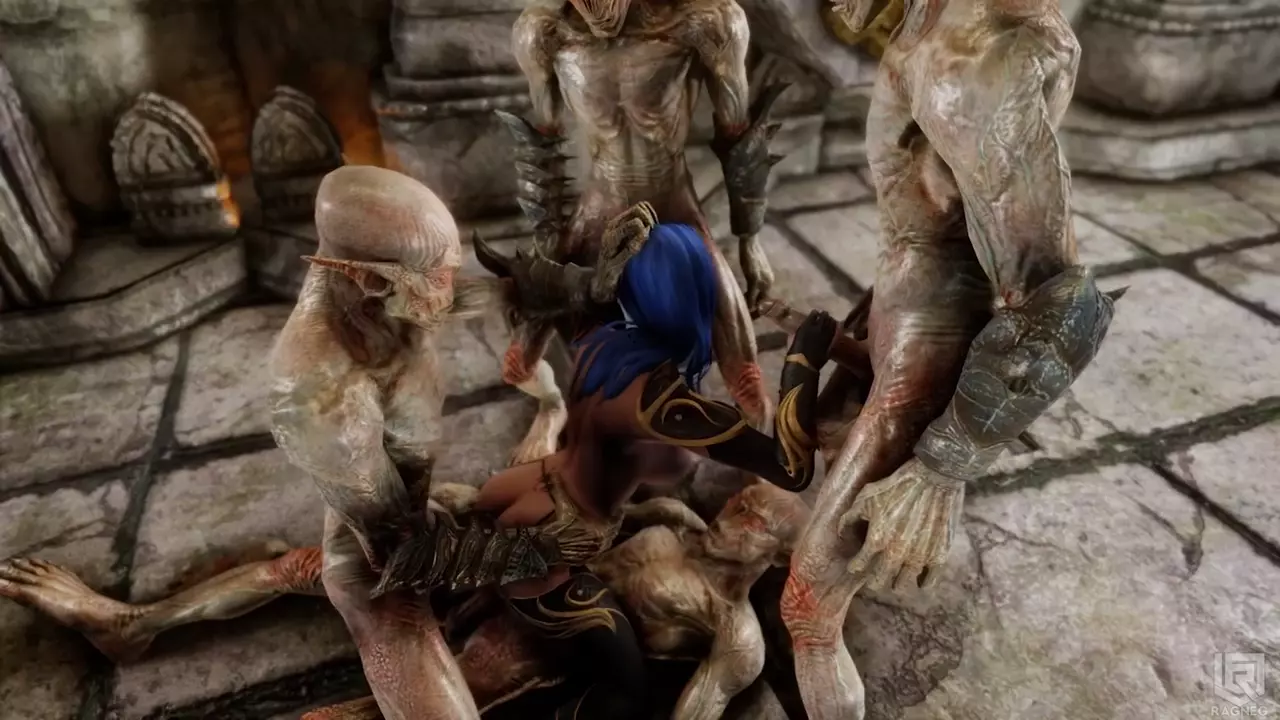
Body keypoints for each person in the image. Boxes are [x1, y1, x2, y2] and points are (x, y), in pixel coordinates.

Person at [377, 211, 840, 720]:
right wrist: (802, 363)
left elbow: (556, 294)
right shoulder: (663, 403)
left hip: (532, 481)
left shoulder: (598, 334)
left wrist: (604, 272)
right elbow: (790, 469)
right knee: (625, 691)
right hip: (562, 532)